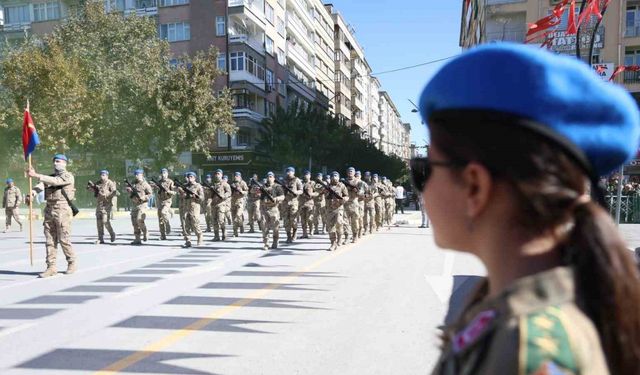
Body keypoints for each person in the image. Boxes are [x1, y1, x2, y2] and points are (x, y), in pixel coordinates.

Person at [418, 44, 640, 375]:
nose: (423, 190)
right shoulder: (509, 311)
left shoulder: (531, 350)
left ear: (475, 186)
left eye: (425, 170)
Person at [27, 154, 76, 278]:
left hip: (62, 209)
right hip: (49, 209)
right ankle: (51, 267)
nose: (55, 163)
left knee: (64, 239)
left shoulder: (68, 176)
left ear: (65, 163)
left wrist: (37, 175)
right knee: (50, 240)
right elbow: (40, 186)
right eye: (54, 161)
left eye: (58, 161)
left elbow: (56, 182)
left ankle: (71, 262)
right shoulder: (49, 177)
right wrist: (31, 193)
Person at [88, 170, 117, 243]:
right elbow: (91, 190)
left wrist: (106, 195)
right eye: (101, 175)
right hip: (99, 204)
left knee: (105, 221)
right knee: (99, 222)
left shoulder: (110, 183)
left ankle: (112, 233)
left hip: (107, 204)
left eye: (104, 175)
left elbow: (114, 192)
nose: (102, 176)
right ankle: (100, 238)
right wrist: (91, 187)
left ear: (107, 176)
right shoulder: (98, 183)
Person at [126, 169, 152, 245]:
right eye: (136, 175)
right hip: (135, 204)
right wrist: (129, 191)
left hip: (142, 205)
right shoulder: (133, 183)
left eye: (138, 175)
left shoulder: (145, 184)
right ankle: (137, 239)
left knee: (139, 219)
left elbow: (150, 194)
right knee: (134, 222)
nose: (136, 176)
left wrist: (143, 197)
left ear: (142, 175)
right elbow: (130, 193)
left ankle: (145, 231)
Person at [323, 171, 348, 251]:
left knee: (339, 223)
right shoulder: (327, 186)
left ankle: (340, 238)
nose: (334, 177)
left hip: (339, 208)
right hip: (329, 209)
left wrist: (344, 199)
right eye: (333, 176)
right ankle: (333, 243)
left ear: (339, 177)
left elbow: (346, 196)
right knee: (330, 227)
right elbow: (318, 190)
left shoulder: (342, 185)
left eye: (336, 176)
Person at [260, 171, 284, 250]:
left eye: (271, 177)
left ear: (273, 178)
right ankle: (266, 243)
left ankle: (275, 241)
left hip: (274, 209)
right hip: (264, 208)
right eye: (268, 177)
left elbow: (282, 196)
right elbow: (260, 197)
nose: (269, 178)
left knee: (275, 227)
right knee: (264, 226)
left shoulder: (277, 187)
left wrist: (276, 198)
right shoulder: (263, 187)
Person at [178, 172, 204, 247]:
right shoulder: (185, 186)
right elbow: (182, 196)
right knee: (186, 225)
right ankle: (188, 240)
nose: (190, 178)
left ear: (195, 178)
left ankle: (199, 236)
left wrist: (195, 196)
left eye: (191, 177)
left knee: (195, 223)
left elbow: (202, 198)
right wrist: (182, 193)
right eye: (189, 177)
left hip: (194, 207)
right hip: (186, 207)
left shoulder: (198, 186)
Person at [281, 167, 303, 243]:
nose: (288, 173)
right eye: (287, 171)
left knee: (293, 220)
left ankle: (294, 233)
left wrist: (296, 192)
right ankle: (288, 236)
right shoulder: (283, 181)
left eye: (290, 171)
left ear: (293, 172)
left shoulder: (297, 180)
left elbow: (301, 190)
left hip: (294, 202)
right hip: (285, 203)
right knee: (286, 221)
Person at [153, 168, 175, 240]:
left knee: (163, 212)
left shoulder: (170, 182)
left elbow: (174, 192)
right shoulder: (159, 182)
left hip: (167, 200)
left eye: (165, 173)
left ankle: (168, 225)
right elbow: (154, 189)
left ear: (167, 174)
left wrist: (168, 191)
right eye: (162, 173)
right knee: (160, 218)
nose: (163, 175)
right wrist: (155, 187)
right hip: (160, 201)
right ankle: (163, 235)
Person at [343, 167, 364, 243]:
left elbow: (362, 192)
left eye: (351, 171)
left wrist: (357, 191)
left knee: (355, 221)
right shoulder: (343, 181)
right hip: (345, 204)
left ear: (354, 172)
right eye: (349, 171)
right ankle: (346, 236)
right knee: (345, 222)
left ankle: (355, 236)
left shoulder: (358, 182)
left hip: (354, 203)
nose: (350, 172)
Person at [210, 169, 231, 241]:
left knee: (221, 220)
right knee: (214, 220)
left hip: (221, 204)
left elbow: (229, 192)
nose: (217, 175)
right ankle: (216, 235)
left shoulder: (225, 184)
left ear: (221, 175)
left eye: (218, 173)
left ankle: (224, 233)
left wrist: (224, 196)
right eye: (216, 174)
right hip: (213, 204)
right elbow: (209, 194)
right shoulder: (212, 184)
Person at [298, 170, 317, 239]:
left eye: (307, 174)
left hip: (310, 204)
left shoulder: (312, 183)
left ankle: (311, 229)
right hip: (302, 203)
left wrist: (312, 194)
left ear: (310, 176)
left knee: (309, 218)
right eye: (305, 174)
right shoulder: (300, 183)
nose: (306, 176)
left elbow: (317, 192)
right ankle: (304, 233)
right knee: (303, 219)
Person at [230, 172, 248, 237]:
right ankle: (235, 232)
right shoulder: (232, 184)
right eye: (235, 176)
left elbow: (246, 192)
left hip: (240, 201)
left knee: (238, 215)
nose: (235, 177)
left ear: (240, 177)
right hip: (233, 202)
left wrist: (241, 191)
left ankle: (241, 225)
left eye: (237, 176)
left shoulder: (243, 183)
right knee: (233, 217)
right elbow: (229, 193)